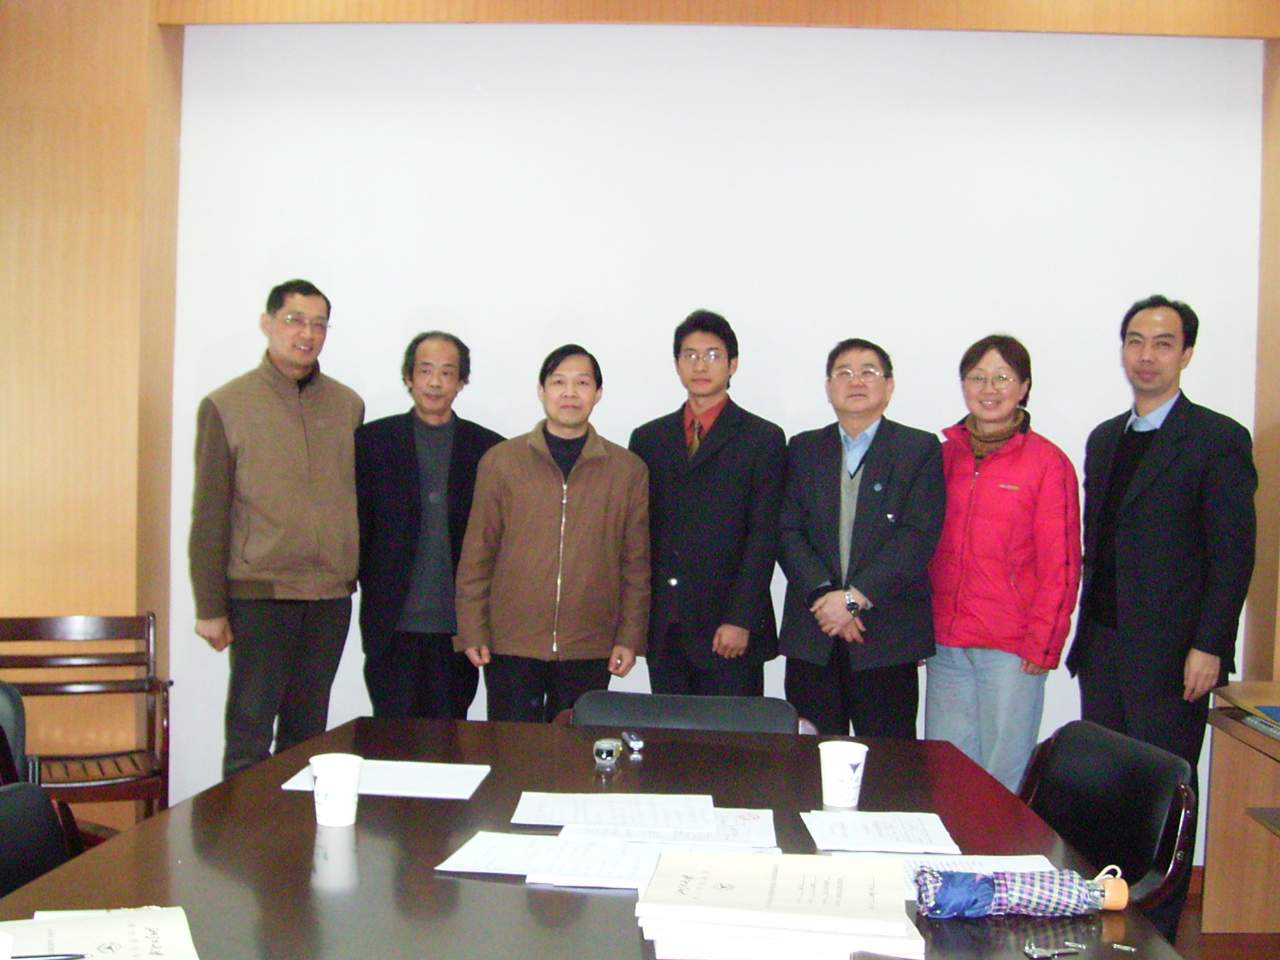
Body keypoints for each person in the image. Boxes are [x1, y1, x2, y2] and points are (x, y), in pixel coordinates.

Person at [1065, 294, 1256, 942]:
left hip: (1175, 656)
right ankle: (1104, 924)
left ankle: (1157, 935)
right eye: (1135, 341)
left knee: (1165, 796)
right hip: (1104, 646)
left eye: (1163, 343)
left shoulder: (1217, 439)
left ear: (1187, 354)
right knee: (1103, 793)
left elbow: (1233, 555)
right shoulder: (1105, 439)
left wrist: (1210, 644)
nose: (1146, 356)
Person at [189, 279, 364, 778]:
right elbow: (210, 513)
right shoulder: (227, 404)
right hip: (261, 594)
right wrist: (210, 607)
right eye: (294, 320)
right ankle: (243, 827)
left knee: (307, 735)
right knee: (250, 732)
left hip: (329, 596)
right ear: (267, 324)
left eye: (318, 324)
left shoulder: (347, 405)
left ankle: (297, 827)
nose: (307, 333)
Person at [453, 344, 650, 721]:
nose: (570, 393)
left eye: (582, 383)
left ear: (598, 393)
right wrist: (472, 629)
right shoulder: (502, 462)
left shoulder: (627, 471)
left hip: (590, 643)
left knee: (575, 750)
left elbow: (636, 565)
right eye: (559, 382)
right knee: (510, 748)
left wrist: (629, 637)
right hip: (512, 642)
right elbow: (478, 554)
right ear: (541, 391)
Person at [925, 334, 1081, 792]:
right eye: (978, 377)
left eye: (1002, 378)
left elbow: (1062, 564)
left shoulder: (1048, 463)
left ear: (1024, 387)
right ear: (963, 385)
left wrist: (1044, 643)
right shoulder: (942, 457)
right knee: (945, 773)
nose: (989, 389)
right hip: (945, 646)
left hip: (1012, 649)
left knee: (1000, 781)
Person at [778, 338, 945, 737]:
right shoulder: (803, 448)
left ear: (889, 386)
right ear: (828, 387)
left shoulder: (918, 449)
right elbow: (787, 530)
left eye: (868, 372)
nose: (856, 381)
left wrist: (853, 600)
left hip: (885, 636)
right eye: (844, 373)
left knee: (889, 761)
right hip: (814, 634)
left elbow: (916, 536)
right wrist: (828, 600)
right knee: (809, 757)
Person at [628, 310, 786, 696]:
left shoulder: (762, 438)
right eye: (690, 355)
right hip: (667, 627)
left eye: (713, 355)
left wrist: (741, 618)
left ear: (733, 364)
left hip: (729, 630)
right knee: (667, 733)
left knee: (733, 734)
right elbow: (638, 536)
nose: (700, 365)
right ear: (677, 364)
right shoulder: (648, 439)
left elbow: (763, 537)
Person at [355, 332, 503, 719]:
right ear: (409, 377)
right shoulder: (372, 443)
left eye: (447, 372)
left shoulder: (488, 450)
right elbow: (358, 528)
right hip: (392, 625)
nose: (435, 382)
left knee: (450, 739)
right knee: (390, 739)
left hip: (458, 630)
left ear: (461, 381)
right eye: (425, 371)